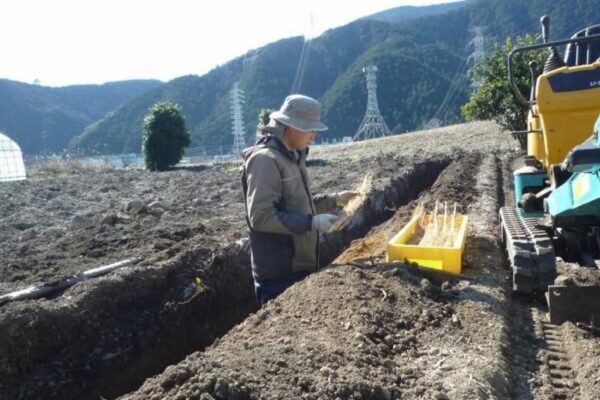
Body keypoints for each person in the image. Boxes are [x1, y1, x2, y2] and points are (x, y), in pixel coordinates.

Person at [241, 94, 358, 305]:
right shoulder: (265, 160)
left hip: (298, 267)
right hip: (280, 275)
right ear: (291, 126)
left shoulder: (292, 156)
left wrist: (334, 200)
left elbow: (296, 203)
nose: (314, 134)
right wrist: (312, 223)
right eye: (309, 128)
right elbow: (261, 216)